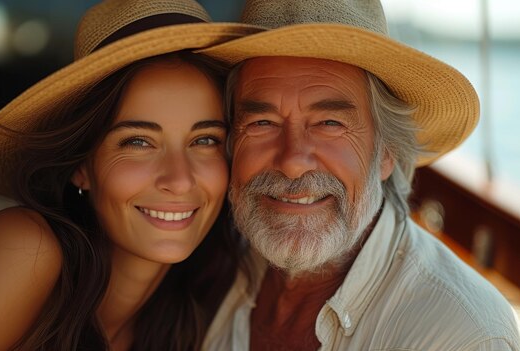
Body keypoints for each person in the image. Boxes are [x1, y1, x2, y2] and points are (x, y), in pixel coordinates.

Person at [0, 0, 262, 350]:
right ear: (82, 167)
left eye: (205, 140)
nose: (179, 179)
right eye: (138, 142)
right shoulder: (26, 248)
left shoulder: (206, 303)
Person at [198, 0, 520, 350]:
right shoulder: (212, 263)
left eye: (329, 124)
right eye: (262, 123)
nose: (292, 162)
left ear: (386, 151)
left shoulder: (462, 336)